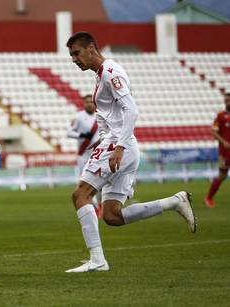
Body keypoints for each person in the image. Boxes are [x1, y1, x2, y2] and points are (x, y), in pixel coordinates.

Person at [64, 32, 196, 273]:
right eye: (71, 55)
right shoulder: (100, 74)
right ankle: (174, 202)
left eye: (76, 53)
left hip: (118, 147)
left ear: (91, 48)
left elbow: (131, 111)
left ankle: (97, 260)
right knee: (113, 216)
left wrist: (118, 147)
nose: (74, 59)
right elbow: (114, 115)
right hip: (118, 144)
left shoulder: (111, 72)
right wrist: (105, 140)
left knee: (80, 195)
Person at [66, 94, 102, 216]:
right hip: (83, 155)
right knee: (86, 183)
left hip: (99, 154)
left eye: (91, 102)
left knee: (102, 182)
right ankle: (95, 208)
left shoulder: (101, 115)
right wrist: (81, 135)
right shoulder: (78, 117)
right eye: (87, 102)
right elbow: (69, 132)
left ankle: (102, 204)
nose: (89, 104)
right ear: (83, 103)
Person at [204, 92, 230, 208]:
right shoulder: (221, 116)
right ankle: (208, 198)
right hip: (225, 152)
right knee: (222, 175)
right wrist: (223, 141)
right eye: (226, 100)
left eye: (229, 100)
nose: (227, 102)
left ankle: (208, 198)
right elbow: (212, 130)